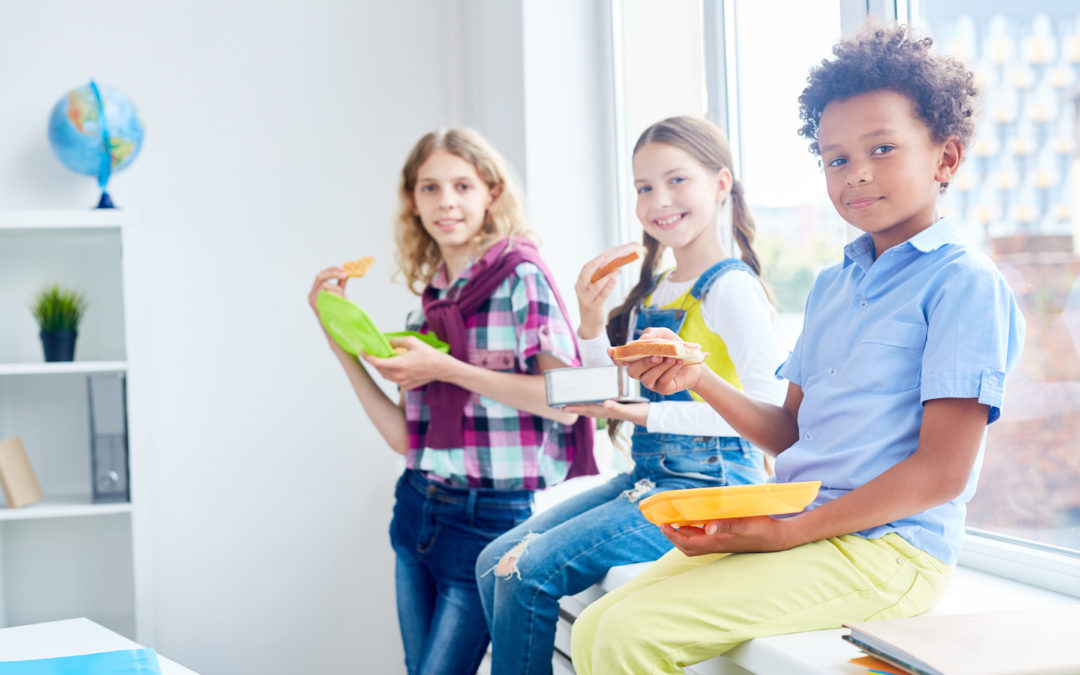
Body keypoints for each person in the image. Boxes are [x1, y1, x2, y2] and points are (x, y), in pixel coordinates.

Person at [569, 24, 1026, 674]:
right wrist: (699, 376)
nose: (856, 173)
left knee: (627, 636)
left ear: (946, 159)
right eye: (836, 158)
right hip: (807, 525)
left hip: (890, 552)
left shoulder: (964, 282)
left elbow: (942, 473)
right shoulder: (832, 285)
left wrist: (786, 532)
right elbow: (789, 432)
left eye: (883, 148)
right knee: (596, 625)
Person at [475, 115, 786, 675]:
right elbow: (614, 392)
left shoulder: (731, 288)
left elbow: (767, 415)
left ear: (721, 184)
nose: (658, 200)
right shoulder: (658, 287)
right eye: (644, 187)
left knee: (525, 573)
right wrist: (591, 323)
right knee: (494, 560)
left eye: (676, 181)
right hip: (652, 476)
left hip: (713, 485)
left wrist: (646, 412)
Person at [307, 127, 594, 675]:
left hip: (490, 520)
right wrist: (335, 336)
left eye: (462, 185)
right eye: (430, 188)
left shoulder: (522, 278)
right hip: (417, 507)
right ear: (412, 202)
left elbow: (567, 404)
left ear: (491, 191)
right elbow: (403, 438)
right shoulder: (433, 301)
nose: (447, 202)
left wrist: (445, 368)